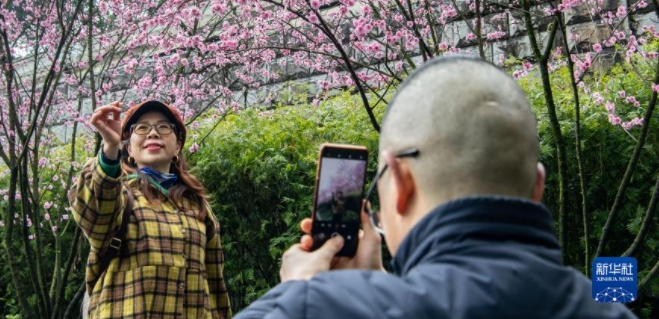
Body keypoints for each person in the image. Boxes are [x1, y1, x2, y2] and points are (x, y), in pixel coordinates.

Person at [234, 56, 637, 319]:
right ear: (537, 186)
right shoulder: (615, 313)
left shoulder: (318, 308)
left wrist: (302, 295)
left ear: (402, 181)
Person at [70, 99, 232, 319]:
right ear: (129, 148)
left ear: (177, 147)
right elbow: (95, 214)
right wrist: (110, 149)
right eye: (142, 128)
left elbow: (214, 287)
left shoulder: (197, 208)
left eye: (164, 127)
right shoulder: (119, 197)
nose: (153, 133)